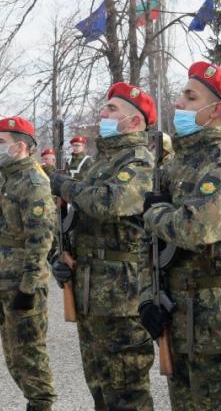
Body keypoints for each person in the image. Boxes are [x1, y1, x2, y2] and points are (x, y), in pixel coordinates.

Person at [141, 62, 221, 410]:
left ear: (215, 110)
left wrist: (155, 213)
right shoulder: (174, 165)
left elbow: (196, 228)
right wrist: (148, 295)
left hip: (215, 317)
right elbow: (150, 244)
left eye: (190, 97)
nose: (179, 103)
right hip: (176, 311)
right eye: (181, 95)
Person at [49, 82, 156, 410]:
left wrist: (65, 184)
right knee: (100, 385)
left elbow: (111, 202)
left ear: (134, 121)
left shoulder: (138, 162)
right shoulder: (101, 163)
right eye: (105, 107)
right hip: (91, 290)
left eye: (113, 109)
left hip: (122, 295)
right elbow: (78, 219)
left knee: (127, 392)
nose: (103, 113)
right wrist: (60, 255)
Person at [0, 116, 56, 411]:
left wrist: (29, 286)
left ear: (19, 146)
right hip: (3, 277)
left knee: (29, 352)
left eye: (1, 142)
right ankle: (33, 401)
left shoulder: (33, 182)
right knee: (13, 355)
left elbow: (40, 238)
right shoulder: (7, 178)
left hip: (22, 281)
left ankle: (41, 404)